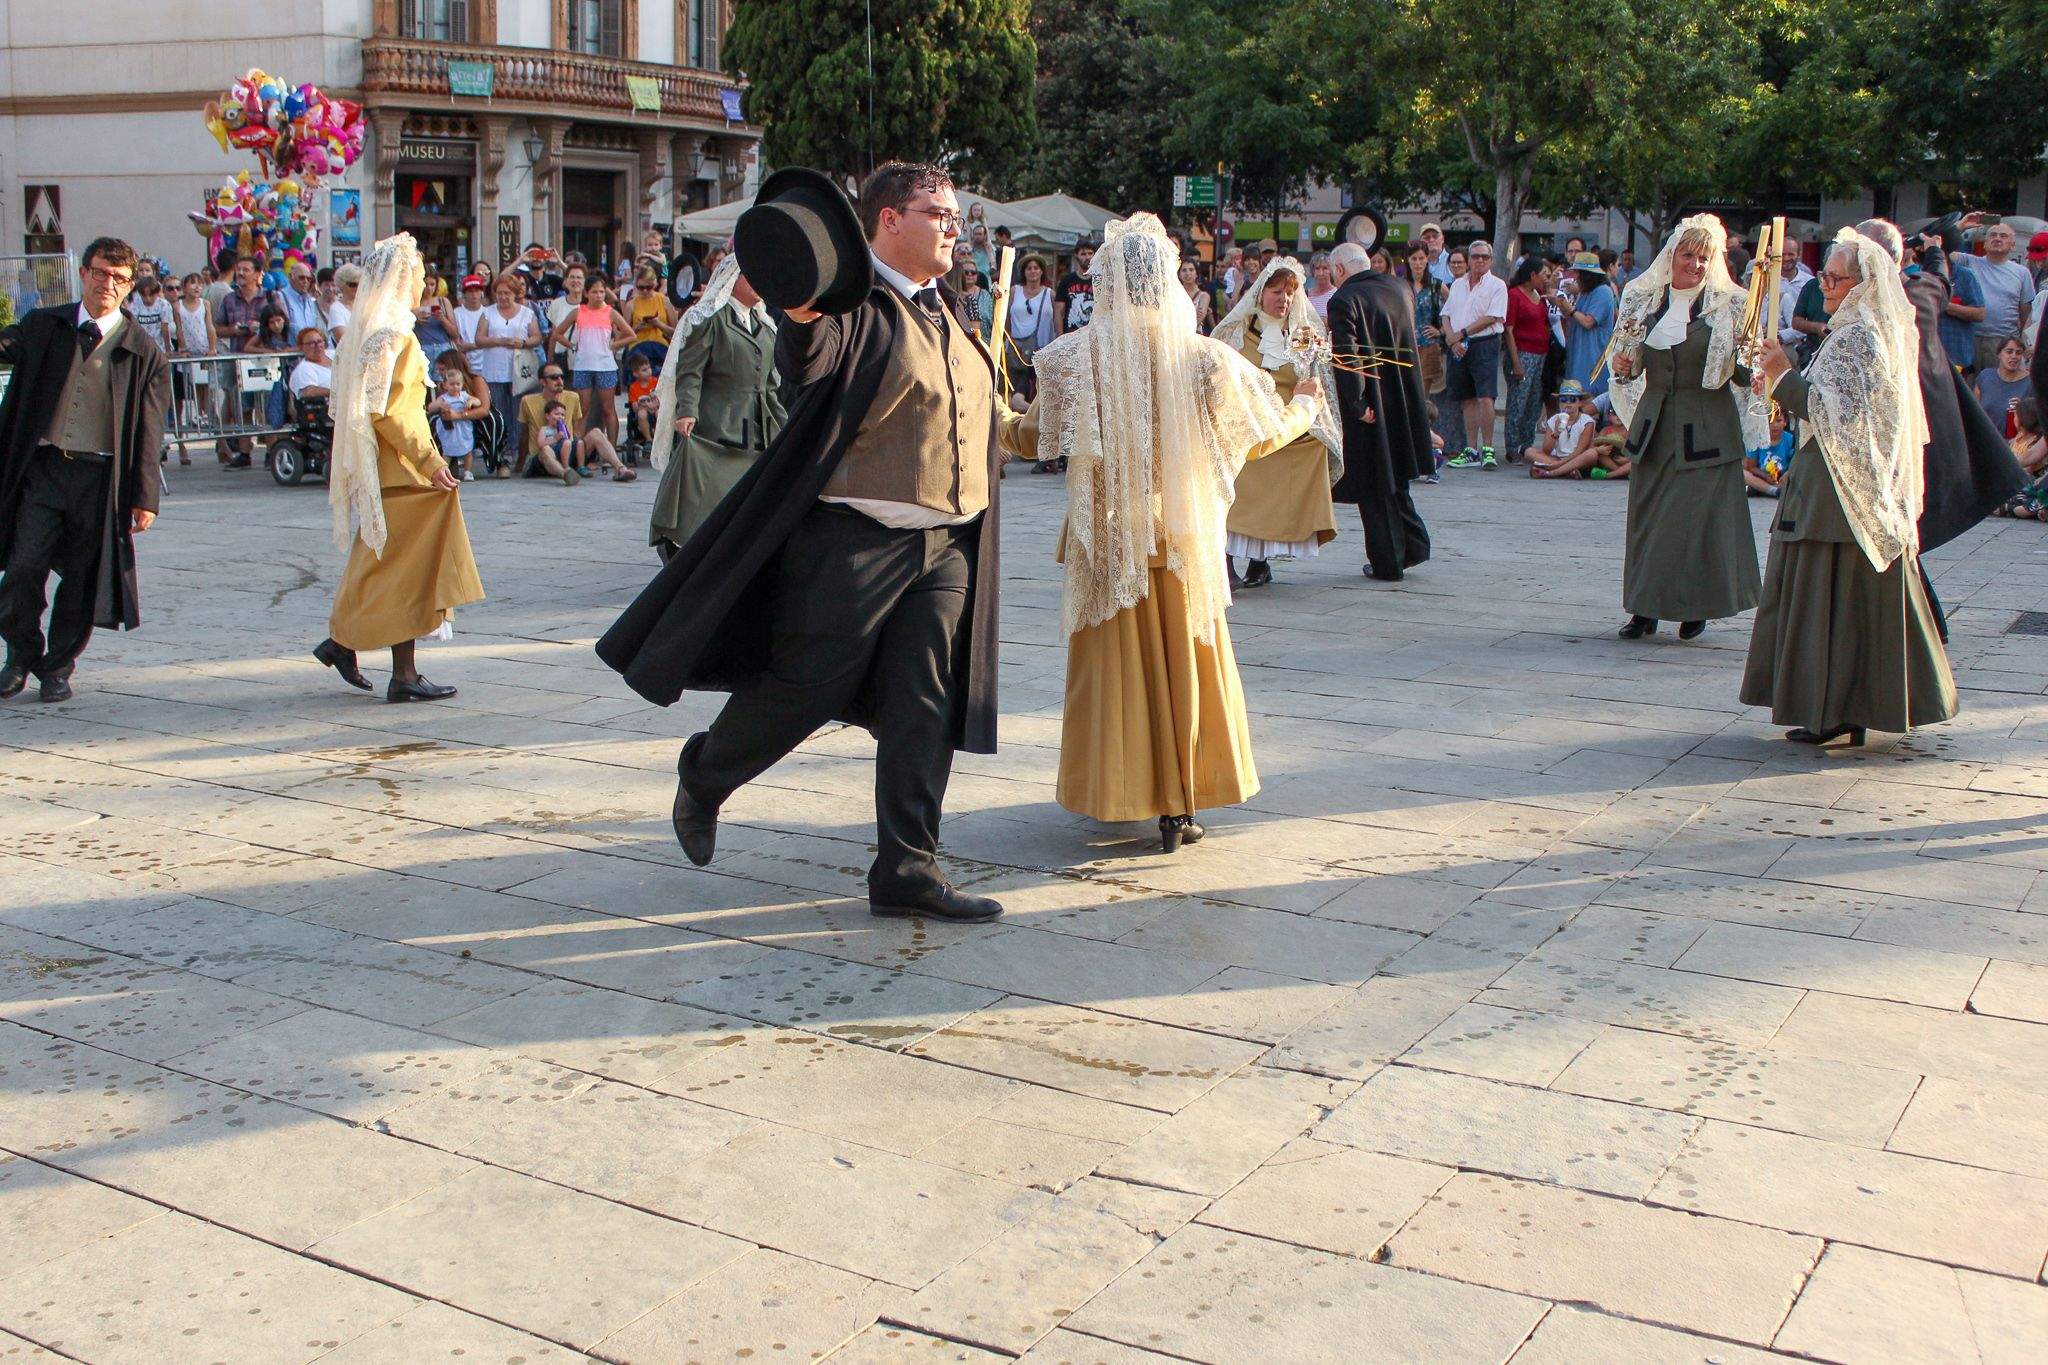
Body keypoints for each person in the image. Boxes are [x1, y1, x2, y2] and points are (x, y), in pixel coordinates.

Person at [599, 162, 1011, 924]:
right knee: (804, 688)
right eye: (938, 213)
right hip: (855, 538)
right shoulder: (852, 304)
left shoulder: (951, 310)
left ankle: (906, 866)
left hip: (945, 544)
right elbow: (809, 359)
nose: (955, 226)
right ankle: (706, 772)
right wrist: (799, 300)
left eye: (957, 215)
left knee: (926, 700)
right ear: (889, 220)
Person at [998, 213, 1320, 851]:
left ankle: (1122, 790)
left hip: (1107, 536)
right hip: (1181, 537)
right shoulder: (1204, 358)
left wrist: (997, 414)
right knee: (1186, 666)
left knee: (1117, 671)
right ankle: (1184, 801)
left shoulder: (1071, 357)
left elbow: (1033, 438)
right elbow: (1258, 435)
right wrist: (1305, 403)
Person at [1741, 227, 1956, 747]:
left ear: (1862, 284)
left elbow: (1839, 413)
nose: (1827, 286)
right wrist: (1778, 382)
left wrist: (1782, 375)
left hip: (1841, 491)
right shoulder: (1851, 330)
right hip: (1830, 482)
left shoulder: (1860, 335)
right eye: (1826, 276)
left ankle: (1835, 706)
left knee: (1833, 600)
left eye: (1836, 279)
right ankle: (1841, 705)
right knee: (1839, 600)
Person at [313, 233, 483, 703]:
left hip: (378, 468)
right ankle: (400, 673)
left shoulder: (364, 334)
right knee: (407, 571)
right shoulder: (396, 337)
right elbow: (392, 411)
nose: (423, 285)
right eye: (419, 277)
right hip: (403, 472)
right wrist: (430, 463)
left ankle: (345, 643)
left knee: (378, 562)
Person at [0, 237, 169, 705]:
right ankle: (20, 655)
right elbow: (7, 344)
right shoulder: (45, 326)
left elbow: (151, 430)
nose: (107, 284)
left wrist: (144, 495)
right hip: (44, 470)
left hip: (100, 480)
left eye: (118, 278)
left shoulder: (143, 351)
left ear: (130, 286)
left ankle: (57, 667)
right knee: (22, 567)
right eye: (99, 273)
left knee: (81, 578)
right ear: (83, 274)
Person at [1606, 213, 1762, 642]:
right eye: (1687, 255)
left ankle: (1697, 608)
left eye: (1703, 257)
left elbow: (1744, 374)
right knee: (1649, 522)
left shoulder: (1730, 307)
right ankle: (1644, 609)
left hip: (1707, 429)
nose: (1694, 264)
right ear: (1672, 255)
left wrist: (1758, 361)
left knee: (1697, 526)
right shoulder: (1644, 301)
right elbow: (1631, 364)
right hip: (1655, 427)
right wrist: (1623, 368)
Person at [1209, 257, 1342, 588]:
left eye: (1290, 292)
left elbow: (1315, 383)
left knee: (1309, 450)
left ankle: (1260, 560)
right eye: (1276, 291)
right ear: (1260, 293)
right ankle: (1224, 560)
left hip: (1285, 425)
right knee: (1233, 474)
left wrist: (1315, 370)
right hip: (1242, 425)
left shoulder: (1302, 336)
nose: (1283, 299)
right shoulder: (1235, 331)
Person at [647, 257, 784, 555]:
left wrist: (780, 422)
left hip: (756, 427)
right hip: (715, 423)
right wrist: (686, 411)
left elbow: (770, 383)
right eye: (752, 277)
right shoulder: (708, 319)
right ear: (732, 278)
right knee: (702, 492)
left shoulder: (766, 325)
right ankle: (679, 546)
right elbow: (691, 371)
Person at [1325, 241, 1433, 580]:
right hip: (1403, 395)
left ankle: (1388, 561)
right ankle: (1413, 545)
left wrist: (1356, 404)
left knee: (1374, 483)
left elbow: (1348, 356)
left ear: (1339, 270)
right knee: (1397, 475)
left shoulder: (1343, 299)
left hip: (1372, 402)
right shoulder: (1400, 288)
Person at [1441, 239, 1506, 468]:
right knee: (1466, 397)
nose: (1480, 260)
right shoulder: (1458, 284)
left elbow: (1493, 316)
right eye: (1476, 256)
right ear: (1468, 259)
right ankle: (1471, 449)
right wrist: (1451, 338)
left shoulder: (1497, 285)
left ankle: (1488, 448)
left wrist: (1461, 334)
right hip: (1459, 345)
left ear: (1490, 260)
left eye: (1484, 257)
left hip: (1484, 343)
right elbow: (1446, 314)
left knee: (1485, 396)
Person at [552, 274, 634, 450]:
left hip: (606, 367)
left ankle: (610, 449)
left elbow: (630, 334)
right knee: (582, 409)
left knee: (608, 409)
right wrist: (572, 345)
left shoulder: (611, 312)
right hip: (583, 366)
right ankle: (578, 450)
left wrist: (614, 345)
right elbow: (557, 333)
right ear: (586, 293)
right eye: (595, 292)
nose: (599, 295)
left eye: (602, 292)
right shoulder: (578, 312)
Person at [467, 277, 540, 475]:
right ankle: (501, 454)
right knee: (498, 413)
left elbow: (537, 337)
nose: (503, 297)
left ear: (515, 293)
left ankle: (518, 453)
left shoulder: (527, 313)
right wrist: (498, 340)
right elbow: (479, 339)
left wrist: (522, 343)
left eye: (507, 293)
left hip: (519, 372)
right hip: (494, 370)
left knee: (518, 413)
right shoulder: (488, 313)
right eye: (499, 293)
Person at [1957, 223, 2034, 373]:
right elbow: (1941, 251)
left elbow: (2026, 314)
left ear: (2012, 245)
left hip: (2004, 342)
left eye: (2003, 236)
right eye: (1993, 235)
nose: (1997, 238)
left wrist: (2023, 345)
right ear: (1985, 243)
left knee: (1999, 388)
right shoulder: (1969, 262)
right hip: (1970, 338)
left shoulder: (2022, 273)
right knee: (1968, 390)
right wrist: (1960, 226)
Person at [1503, 255, 1553, 461]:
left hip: (1541, 354)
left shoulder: (1539, 295)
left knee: (1534, 401)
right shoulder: (1515, 295)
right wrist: (1516, 362)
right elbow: (1509, 330)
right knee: (1518, 401)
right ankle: (1513, 446)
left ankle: (1527, 444)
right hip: (1523, 353)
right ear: (1532, 275)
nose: (1546, 279)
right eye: (1544, 275)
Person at [1560, 251, 1616, 397]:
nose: (1575, 277)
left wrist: (1570, 310)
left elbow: (1588, 322)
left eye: (1578, 273)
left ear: (1588, 275)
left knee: (1588, 403)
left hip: (1592, 360)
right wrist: (1560, 304)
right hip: (1576, 357)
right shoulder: (1584, 292)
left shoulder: (1603, 292)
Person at [427, 351, 490, 481]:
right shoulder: (443, 388)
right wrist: (440, 407)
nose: (439, 373)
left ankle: (470, 469)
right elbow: (432, 407)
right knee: (446, 447)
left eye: (443, 369)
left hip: (467, 420)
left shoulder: (472, 384)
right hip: (448, 424)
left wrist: (467, 407)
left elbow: (482, 406)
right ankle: (445, 468)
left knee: (469, 448)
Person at [1005, 255, 1055, 406]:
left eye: (1036, 268)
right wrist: (1008, 339)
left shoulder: (1050, 294)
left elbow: (1057, 320)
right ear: (1024, 272)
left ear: (1041, 271)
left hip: (1042, 351)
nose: (1033, 271)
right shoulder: (1014, 291)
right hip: (1017, 352)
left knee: (1038, 393)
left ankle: (1034, 419)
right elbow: (1006, 317)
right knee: (1016, 390)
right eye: (1029, 268)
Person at [1526, 379, 1599, 475]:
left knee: (1591, 454)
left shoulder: (1587, 421)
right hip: (1557, 458)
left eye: (1572, 400)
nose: (1567, 403)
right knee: (1529, 451)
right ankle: (1567, 471)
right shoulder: (1554, 420)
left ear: (1580, 403)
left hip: (1578, 458)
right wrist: (1555, 433)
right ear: (1559, 402)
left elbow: (1580, 451)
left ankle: (1552, 472)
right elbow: (1546, 450)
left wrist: (1557, 465)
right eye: (1563, 400)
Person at [1975, 334, 2034, 425]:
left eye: (2018, 353)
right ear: (1999, 354)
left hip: (2014, 437)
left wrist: (2022, 410)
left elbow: (2036, 419)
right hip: (1984, 436)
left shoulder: (2030, 383)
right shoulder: (1985, 376)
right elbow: (1973, 410)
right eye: (2009, 351)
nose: (2014, 356)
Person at [1743, 409, 1796, 497]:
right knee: (1743, 473)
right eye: (1770, 421)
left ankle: (1765, 490)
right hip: (1762, 477)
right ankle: (1773, 491)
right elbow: (1751, 467)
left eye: (1778, 421)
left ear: (1785, 422)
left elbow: (1795, 463)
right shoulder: (1756, 438)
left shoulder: (1790, 439)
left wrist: (1787, 474)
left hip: (1783, 477)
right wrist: (1765, 476)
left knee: (1793, 475)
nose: (1774, 425)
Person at [1055, 241, 1097, 333]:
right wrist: (1059, 338)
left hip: (1092, 336)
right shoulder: (1066, 281)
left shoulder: (1100, 281)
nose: (1087, 257)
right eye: (1083, 254)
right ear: (1076, 256)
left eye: (1090, 253)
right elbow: (1059, 312)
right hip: (1070, 334)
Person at [287, 326, 332, 403]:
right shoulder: (303, 370)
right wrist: (337, 393)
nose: (317, 346)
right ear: (301, 347)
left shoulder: (334, 354)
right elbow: (309, 392)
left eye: (320, 341)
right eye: (311, 343)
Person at [1305, 251, 1337, 320]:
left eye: (1325, 268)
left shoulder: (1337, 294)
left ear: (1331, 270)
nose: (1320, 273)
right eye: (1317, 268)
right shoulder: (1305, 295)